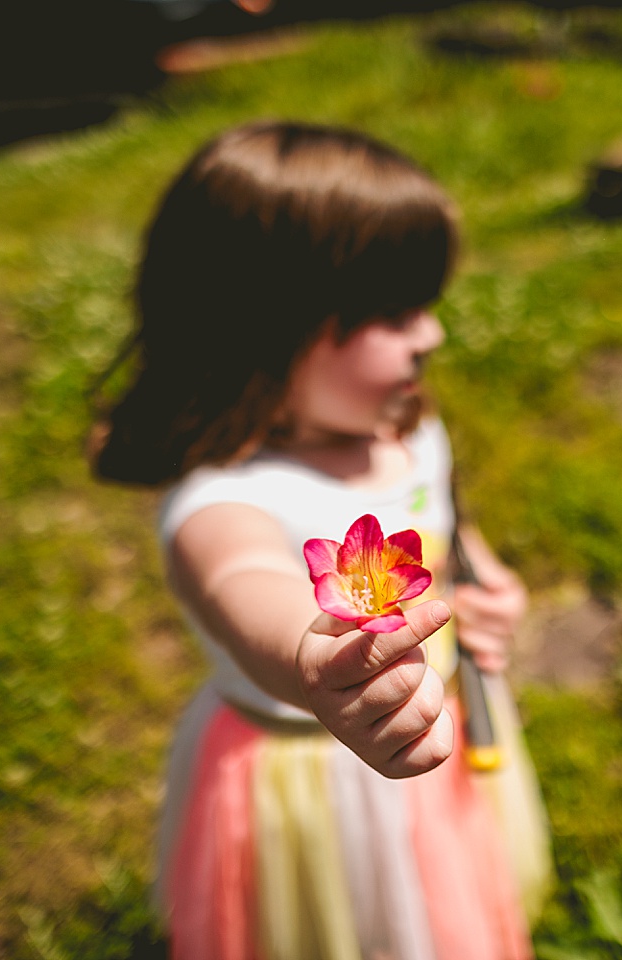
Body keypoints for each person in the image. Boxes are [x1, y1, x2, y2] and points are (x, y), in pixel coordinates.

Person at [91, 121, 552, 960]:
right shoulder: (222, 503)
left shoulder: (405, 429)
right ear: (261, 329)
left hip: (429, 740)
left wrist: (488, 582)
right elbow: (248, 587)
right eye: (392, 311)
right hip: (314, 782)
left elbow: (443, 528)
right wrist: (315, 664)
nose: (431, 335)